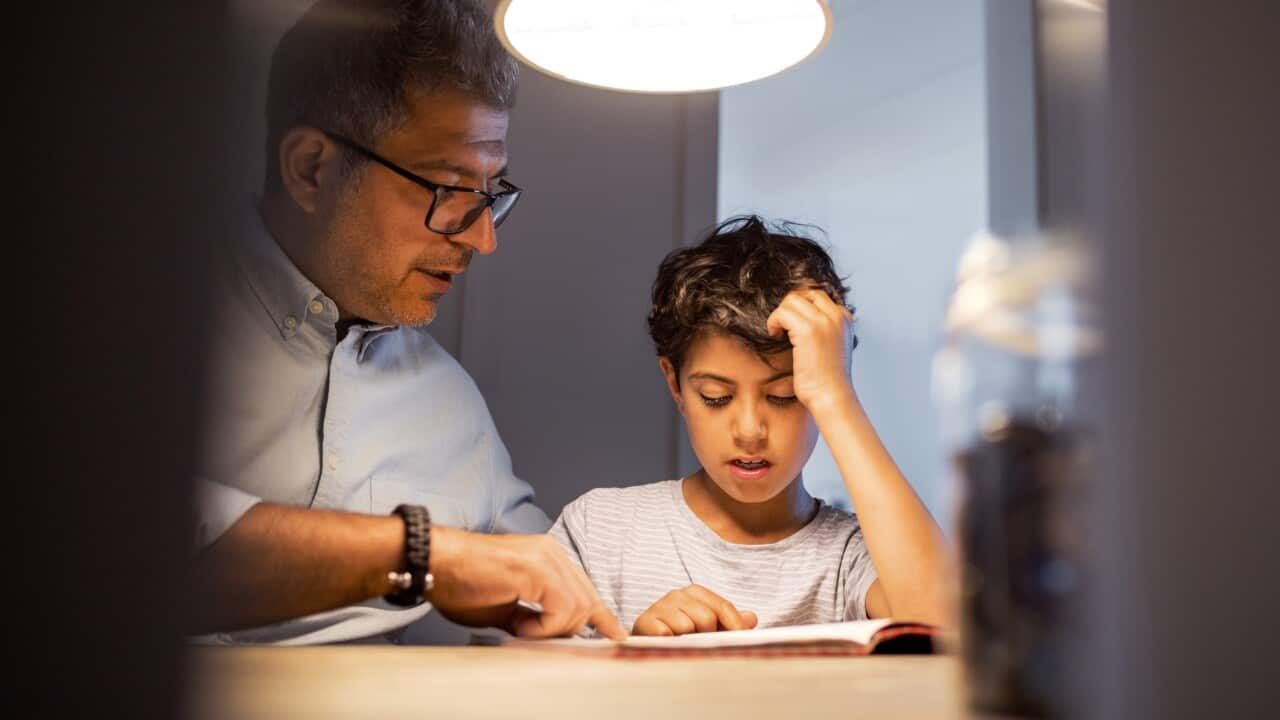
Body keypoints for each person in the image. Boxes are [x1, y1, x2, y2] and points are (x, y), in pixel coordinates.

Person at [190, 0, 624, 644]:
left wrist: (655, 606)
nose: (483, 240)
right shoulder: (142, 317)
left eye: (489, 195)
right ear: (312, 169)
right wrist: (423, 552)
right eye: (449, 190)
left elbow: (547, 577)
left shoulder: (447, 397)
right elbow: (127, 544)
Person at [550, 216, 950, 635]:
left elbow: (948, 633)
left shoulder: (857, 556)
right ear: (675, 384)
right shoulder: (599, 530)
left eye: (784, 395)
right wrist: (635, 655)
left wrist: (835, 393)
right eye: (716, 397)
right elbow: (529, 685)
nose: (749, 430)